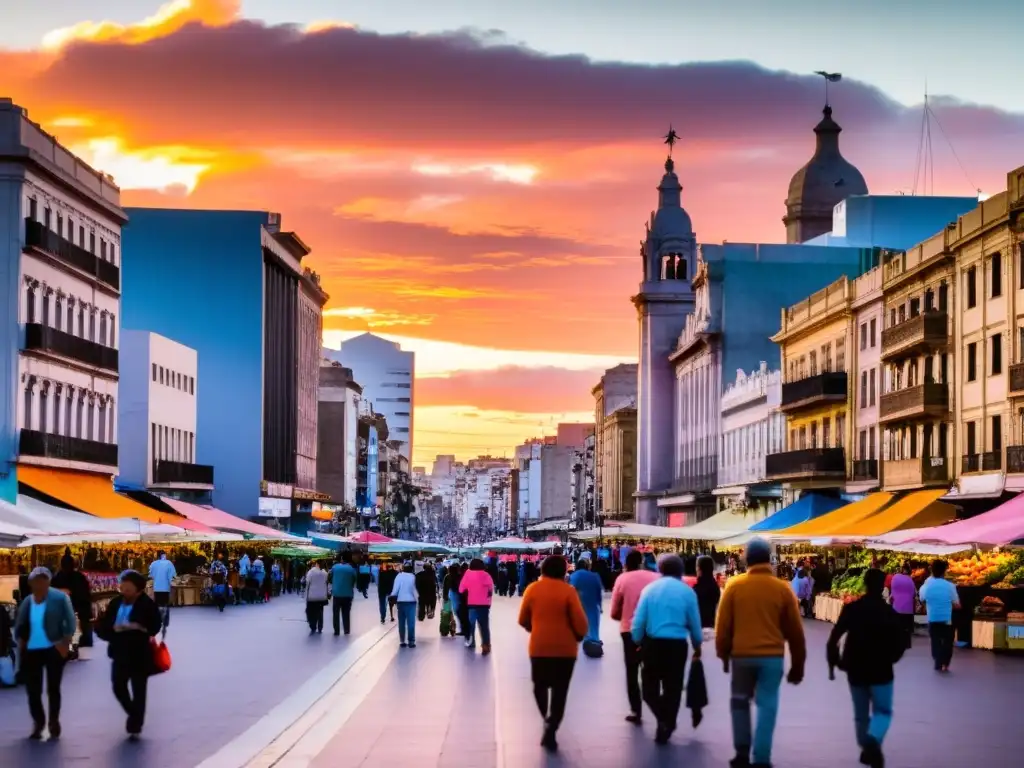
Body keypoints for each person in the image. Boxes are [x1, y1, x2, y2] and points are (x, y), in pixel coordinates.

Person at [716, 537, 806, 768]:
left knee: (739, 702)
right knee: (767, 705)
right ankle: (762, 758)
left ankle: (742, 752)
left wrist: (723, 654)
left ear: (746, 559)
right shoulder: (782, 589)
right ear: (769, 559)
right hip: (772, 658)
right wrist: (798, 664)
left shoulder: (734, 586)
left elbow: (723, 626)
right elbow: (795, 632)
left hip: (741, 656)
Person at [827, 568, 906, 768]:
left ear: (864, 583)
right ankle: (873, 741)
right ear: (882, 586)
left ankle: (866, 747)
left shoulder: (853, 609)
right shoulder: (889, 612)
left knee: (860, 714)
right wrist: (892, 659)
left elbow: (834, 638)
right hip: (882, 669)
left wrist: (833, 663)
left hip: (855, 668)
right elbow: (901, 642)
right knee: (883, 711)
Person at [517, 555, 589, 752]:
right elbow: (581, 625)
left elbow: (522, 619)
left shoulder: (532, 589)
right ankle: (552, 726)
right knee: (560, 691)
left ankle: (546, 718)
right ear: (563, 571)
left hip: (539, 647)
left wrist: (536, 628)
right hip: (566, 650)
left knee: (539, 686)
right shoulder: (569, 591)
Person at [631, 554, 703, 744]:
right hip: (677, 646)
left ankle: (663, 721)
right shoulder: (687, 592)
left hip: (653, 645)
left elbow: (639, 620)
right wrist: (697, 644)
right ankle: (667, 722)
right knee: (673, 687)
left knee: (648, 689)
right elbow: (694, 622)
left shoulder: (649, 590)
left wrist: (637, 640)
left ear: (660, 569)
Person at [95, 570, 163, 739]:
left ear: (138, 589)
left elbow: (155, 626)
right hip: (119, 652)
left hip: (139, 652)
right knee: (118, 686)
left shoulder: (147, 604)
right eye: (122, 587)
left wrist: (137, 627)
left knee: (139, 689)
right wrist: (112, 630)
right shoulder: (115, 603)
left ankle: (136, 723)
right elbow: (104, 625)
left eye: (128, 587)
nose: (124, 590)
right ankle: (134, 713)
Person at [14, 567, 75, 740]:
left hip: (53, 648)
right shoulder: (28, 600)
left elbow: (70, 621)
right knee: (33, 689)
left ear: (48, 582)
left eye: (42, 580)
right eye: (35, 581)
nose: (39, 584)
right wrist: (21, 642)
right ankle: (38, 722)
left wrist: (65, 643)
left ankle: (53, 721)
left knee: (53, 688)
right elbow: (21, 623)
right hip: (32, 650)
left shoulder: (59, 598)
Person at [609, 549, 658, 724]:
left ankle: (636, 711)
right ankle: (656, 704)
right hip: (652, 631)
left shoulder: (622, 579)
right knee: (652, 669)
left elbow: (614, 611)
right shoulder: (654, 578)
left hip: (629, 631)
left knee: (631, 671)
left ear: (625, 563)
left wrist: (623, 616)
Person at [919, 558, 960, 672]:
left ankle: (938, 661)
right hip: (947, 619)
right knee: (947, 642)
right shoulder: (950, 586)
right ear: (944, 571)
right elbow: (957, 605)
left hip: (932, 618)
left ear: (931, 570)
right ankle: (945, 664)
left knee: (935, 641)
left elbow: (922, 599)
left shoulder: (926, 586)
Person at [51, 551, 93, 660]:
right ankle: (75, 648)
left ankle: (70, 648)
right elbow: (86, 595)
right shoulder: (79, 577)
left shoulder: (57, 578)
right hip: (78, 610)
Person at [459, 558, 495, 654]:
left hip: (472, 604)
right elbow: (491, 590)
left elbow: (461, 589)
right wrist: (488, 601)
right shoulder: (486, 575)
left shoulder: (468, 574)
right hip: (484, 605)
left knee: (471, 625)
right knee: (484, 626)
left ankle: (471, 642)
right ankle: (486, 645)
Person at [569, 558, 604, 645]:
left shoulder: (574, 575)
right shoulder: (595, 575)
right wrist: (600, 606)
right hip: (593, 603)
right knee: (593, 623)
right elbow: (599, 591)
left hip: (580, 602)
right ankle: (595, 640)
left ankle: (584, 639)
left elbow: (570, 589)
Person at [390, 563, 419, 648]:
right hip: (411, 602)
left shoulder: (399, 576)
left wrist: (392, 596)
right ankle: (411, 641)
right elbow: (414, 590)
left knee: (401, 622)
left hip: (401, 601)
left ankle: (402, 641)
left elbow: (395, 590)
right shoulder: (413, 577)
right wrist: (418, 600)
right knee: (411, 622)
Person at [889, 562, 917, 649]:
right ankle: (906, 644)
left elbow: (892, 592)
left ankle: (896, 642)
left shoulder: (895, 577)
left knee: (897, 626)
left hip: (897, 607)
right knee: (906, 628)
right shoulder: (910, 580)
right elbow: (914, 594)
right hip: (908, 608)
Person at [329, 553, 357, 636]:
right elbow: (354, 580)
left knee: (336, 613)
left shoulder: (334, 567)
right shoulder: (351, 569)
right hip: (348, 594)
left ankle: (336, 631)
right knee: (346, 613)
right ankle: (346, 630)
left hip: (337, 594)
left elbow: (329, 577)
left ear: (341, 559)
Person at [693, 555, 721, 631]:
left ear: (699, 569)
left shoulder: (697, 588)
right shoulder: (715, 586)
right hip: (712, 626)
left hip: (699, 627)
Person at [148, 550, 176, 623]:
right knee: (165, 603)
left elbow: (151, 575)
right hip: (166, 587)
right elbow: (173, 575)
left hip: (157, 587)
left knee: (157, 603)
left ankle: (158, 618)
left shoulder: (153, 564)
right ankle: (165, 618)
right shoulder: (169, 563)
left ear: (157, 556)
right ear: (164, 555)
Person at [304, 560, 329, 634]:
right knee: (320, 612)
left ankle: (313, 626)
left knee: (311, 612)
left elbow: (307, 583)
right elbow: (327, 583)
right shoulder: (325, 573)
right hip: (321, 597)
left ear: (316, 564)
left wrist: (306, 595)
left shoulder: (311, 572)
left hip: (312, 596)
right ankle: (320, 627)